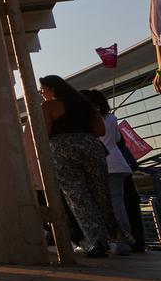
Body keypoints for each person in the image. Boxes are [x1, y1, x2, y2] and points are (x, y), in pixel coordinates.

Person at [39, 75, 111, 257]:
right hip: (91, 147)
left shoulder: (48, 106)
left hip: (64, 151)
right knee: (100, 193)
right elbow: (100, 131)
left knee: (77, 197)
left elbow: (45, 133)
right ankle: (110, 238)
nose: (42, 93)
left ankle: (95, 240)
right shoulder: (84, 103)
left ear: (52, 89)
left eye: (43, 90)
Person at [83, 89, 137, 254]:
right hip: (118, 163)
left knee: (98, 206)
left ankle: (104, 241)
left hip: (99, 164)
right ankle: (123, 243)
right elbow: (118, 139)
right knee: (118, 204)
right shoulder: (112, 118)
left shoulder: (86, 120)